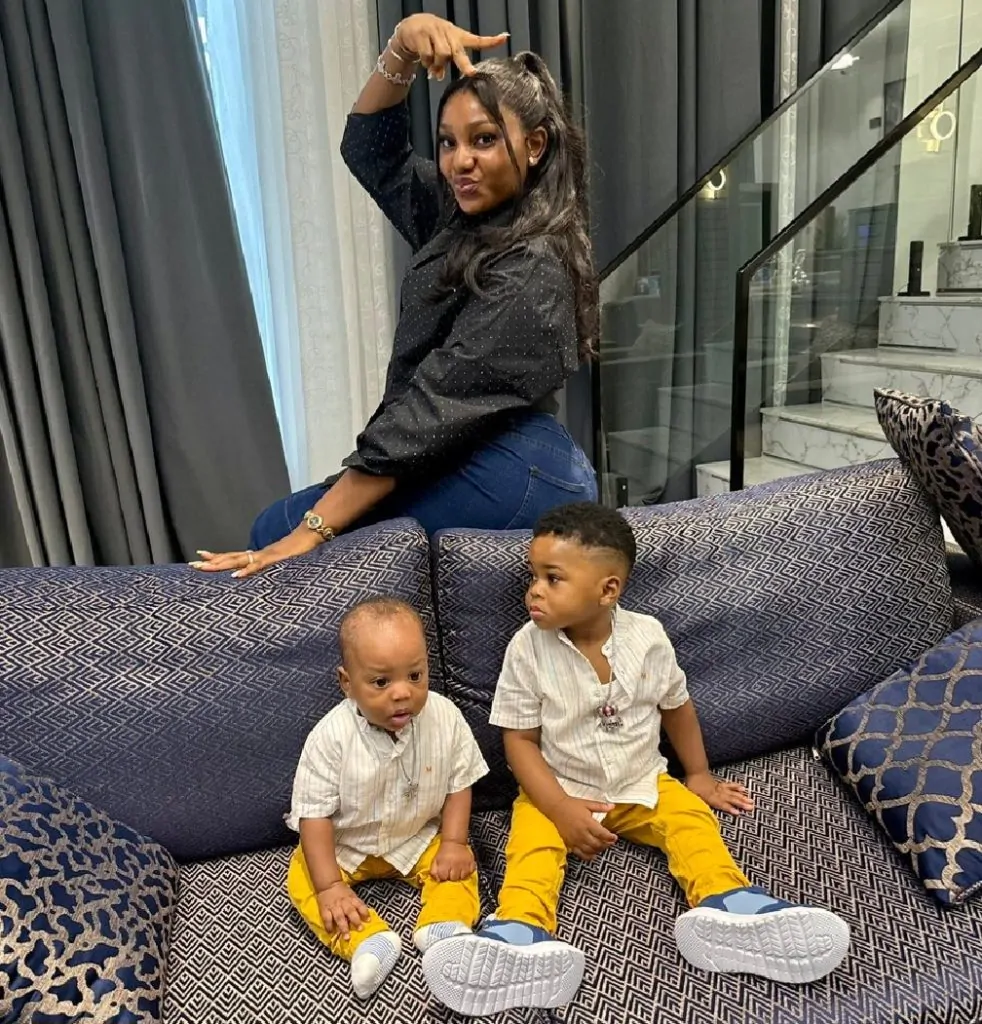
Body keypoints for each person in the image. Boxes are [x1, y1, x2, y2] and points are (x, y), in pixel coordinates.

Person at [191, 14, 597, 580]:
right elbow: (371, 151)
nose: (460, 161)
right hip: (474, 445)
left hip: (518, 467)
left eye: (483, 139)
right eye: (448, 142)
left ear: (534, 145)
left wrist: (309, 531)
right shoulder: (460, 213)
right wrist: (402, 47)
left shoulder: (533, 268)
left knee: (275, 533)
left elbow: (427, 412)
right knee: (281, 526)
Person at [422, 504, 851, 1016]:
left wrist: (698, 774)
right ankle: (520, 934)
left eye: (552, 579)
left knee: (691, 822)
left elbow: (677, 707)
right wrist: (558, 808)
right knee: (532, 849)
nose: (533, 591)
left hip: (643, 781)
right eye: (532, 576)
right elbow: (519, 742)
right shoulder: (526, 648)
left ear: (608, 590)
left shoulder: (648, 637)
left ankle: (729, 906)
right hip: (557, 789)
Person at [286, 597, 489, 999]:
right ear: (347, 683)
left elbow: (459, 784)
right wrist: (329, 886)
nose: (402, 693)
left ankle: (443, 926)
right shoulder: (330, 738)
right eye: (381, 682)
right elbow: (314, 816)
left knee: (460, 866)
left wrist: (454, 842)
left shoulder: (445, 718)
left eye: (415, 675)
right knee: (303, 876)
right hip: (346, 845)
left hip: (418, 837)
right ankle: (367, 941)